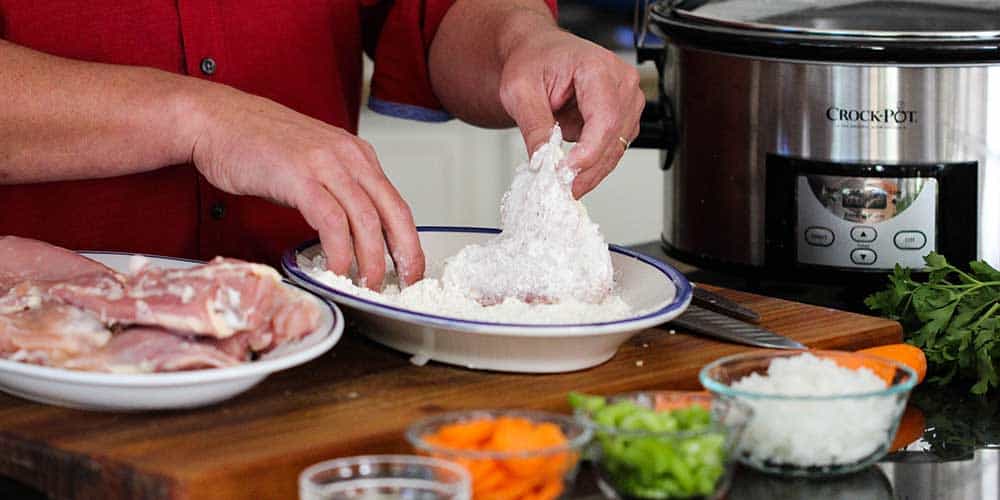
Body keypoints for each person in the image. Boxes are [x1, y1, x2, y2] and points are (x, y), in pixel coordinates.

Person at [0, 1, 644, 289]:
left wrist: (521, 38)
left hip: (311, 344)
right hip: (35, 360)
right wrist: (200, 118)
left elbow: (428, 11)